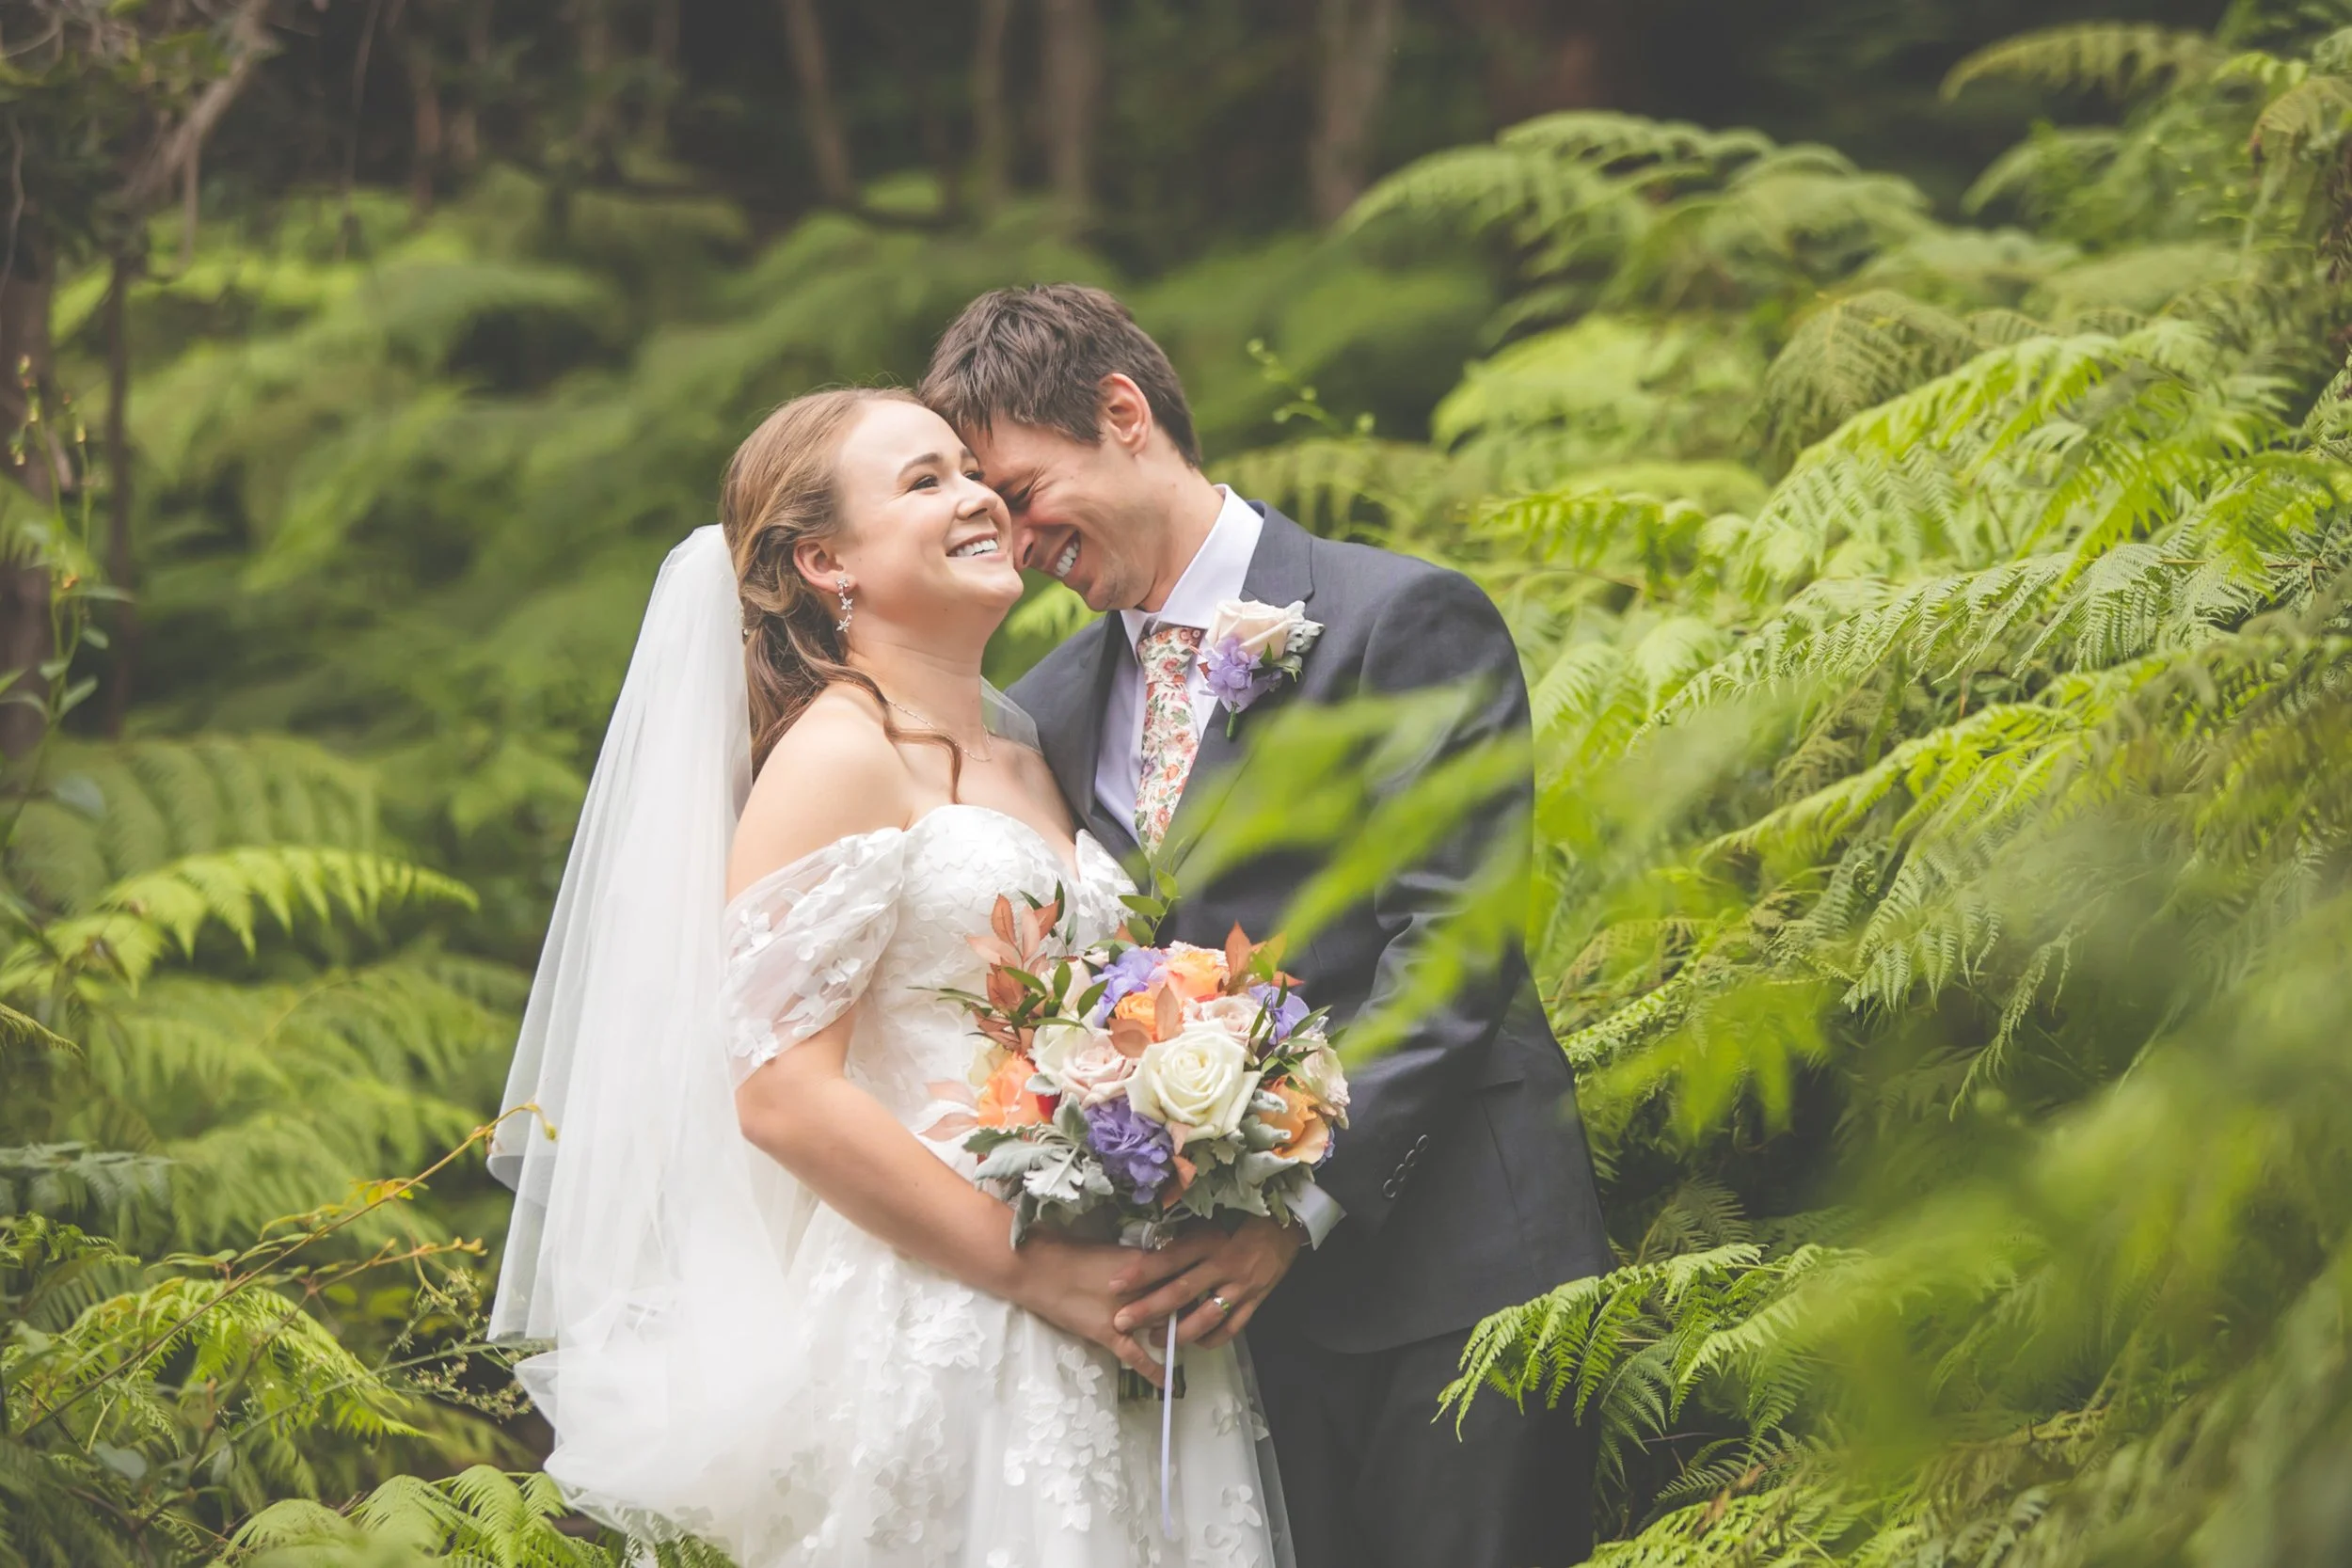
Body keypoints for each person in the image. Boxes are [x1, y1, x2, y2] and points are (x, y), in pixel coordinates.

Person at [487, 388, 1291, 1565]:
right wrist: (1041, 1273)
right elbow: (777, 1093)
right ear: (826, 561)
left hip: (1120, 1296)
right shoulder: (833, 756)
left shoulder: (1025, 758)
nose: (975, 495)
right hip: (951, 1314)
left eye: (971, 469)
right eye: (922, 481)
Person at [921, 285, 1614, 1568]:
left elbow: (1453, 947)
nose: (1014, 545)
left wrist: (1296, 1207)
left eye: (1020, 492)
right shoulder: (1051, 705)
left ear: (1122, 414)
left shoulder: (1400, 617)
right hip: (1234, 1342)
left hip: (1452, 1263)